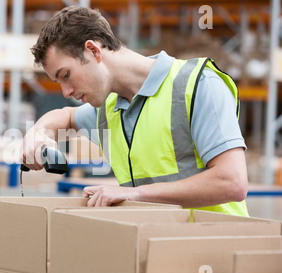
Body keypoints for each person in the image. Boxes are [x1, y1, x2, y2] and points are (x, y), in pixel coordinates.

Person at [21, 6, 248, 216]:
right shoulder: (109, 109)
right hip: (153, 248)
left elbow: (232, 182)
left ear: (93, 50)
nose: (66, 92)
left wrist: (131, 195)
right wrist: (38, 132)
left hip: (215, 248)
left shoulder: (197, 84)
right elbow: (66, 116)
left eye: (66, 75)